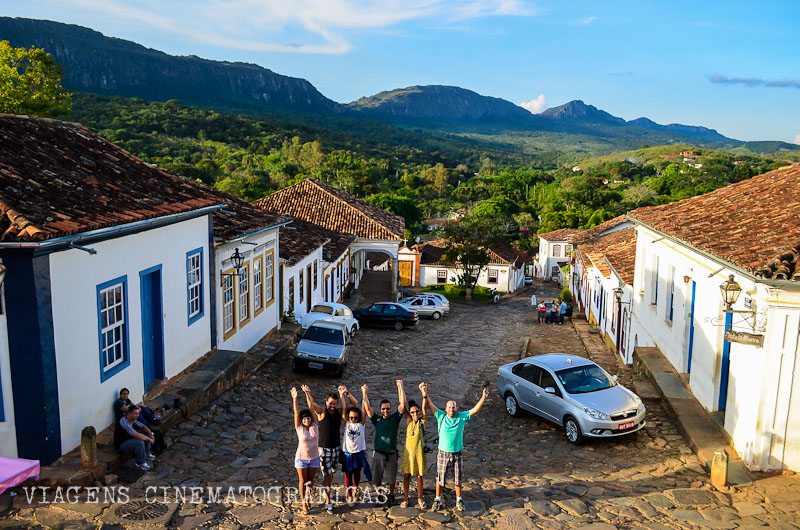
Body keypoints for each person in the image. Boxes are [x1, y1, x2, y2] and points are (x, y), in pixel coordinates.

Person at [425, 384, 489, 512]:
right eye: (449, 407)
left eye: (453, 407)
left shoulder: (461, 417)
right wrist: (424, 393)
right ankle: (438, 498)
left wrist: (483, 397)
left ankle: (459, 499)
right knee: (440, 477)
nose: (451, 409)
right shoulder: (441, 416)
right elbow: (430, 405)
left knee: (457, 478)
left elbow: (475, 410)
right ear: (446, 408)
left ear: (456, 408)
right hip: (443, 452)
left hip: (457, 453)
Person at [303, 384, 358, 514]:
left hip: (336, 449)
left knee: (331, 475)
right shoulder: (322, 412)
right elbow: (311, 405)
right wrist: (307, 393)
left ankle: (326, 489)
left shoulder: (339, 412)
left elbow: (354, 403)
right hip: (324, 449)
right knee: (327, 475)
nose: (332, 406)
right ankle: (328, 501)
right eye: (330, 403)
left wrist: (345, 393)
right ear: (326, 403)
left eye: (335, 403)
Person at [362, 381, 404, 506]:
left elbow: (403, 404)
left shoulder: (395, 418)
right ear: (380, 410)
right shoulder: (377, 420)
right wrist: (364, 393)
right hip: (379, 453)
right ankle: (380, 494)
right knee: (377, 476)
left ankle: (391, 494)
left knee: (392, 477)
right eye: (383, 409)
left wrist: (400, 387)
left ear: (391, 409)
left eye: (388, 408)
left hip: (391, 453)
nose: (386, 410)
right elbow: (367, 407)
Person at [399, 383, 429, 509]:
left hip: (419, 453)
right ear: (410, 413)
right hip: (409, 453)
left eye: (417, 411)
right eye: (413, 412)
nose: (416, 413)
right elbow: (403, 405)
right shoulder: (408, 420)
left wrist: (424, 393)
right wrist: (400, 387)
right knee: (407, 476)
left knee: (419, 476)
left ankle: (420, 498)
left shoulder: (422, 422)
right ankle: (405, 498)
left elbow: (424, 408)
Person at [341, 386, 371, 505]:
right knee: (348, 474)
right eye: (351, 417)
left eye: (355, 417)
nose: (353, 419)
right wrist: (343, 395)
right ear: (348, 417)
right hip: (348, 453)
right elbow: (343, 409)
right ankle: (349, 494)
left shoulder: (361, 425)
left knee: (357, 473)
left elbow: (364, 409)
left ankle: (355, 489)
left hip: (359, 453)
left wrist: (364, 393)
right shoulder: (347, 424)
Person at [291, 387, 319, 514]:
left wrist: (308, 393)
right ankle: (303, 503)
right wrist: (295, 398)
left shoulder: (315, 426)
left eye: (308, 418)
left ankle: (308, 499)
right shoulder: (299, 428)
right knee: (302, 480)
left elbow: (312, 408)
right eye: (305, 419)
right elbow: (296, 412)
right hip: (301, 459)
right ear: (302, 420)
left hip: (314, 458)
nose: (307, 420)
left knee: (310, 481)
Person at [114, 406, 156, 471]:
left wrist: (151, 434)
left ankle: (147, 454)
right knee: (140, 442)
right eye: (135, 414)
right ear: (129, 413)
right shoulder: (124, 422)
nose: (137, 415)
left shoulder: (133, 419)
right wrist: (149, 439)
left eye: (138, 413)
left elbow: (143, 426)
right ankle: (140, 463)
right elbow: (136, 434)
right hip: (121, 445)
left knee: (145, 433)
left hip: (129, 439)